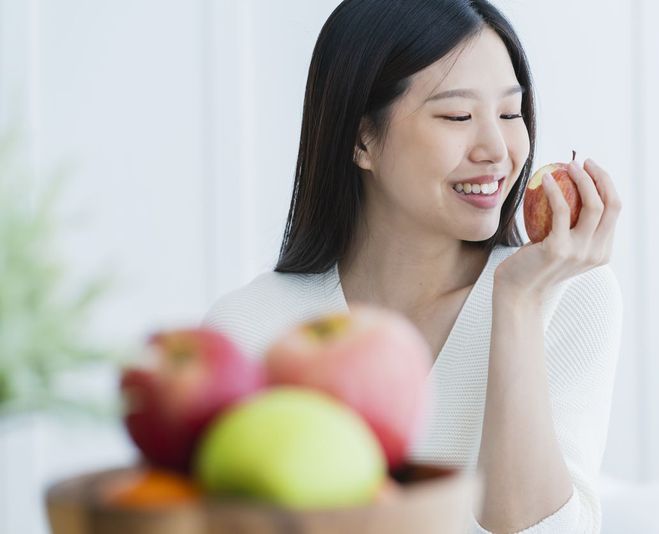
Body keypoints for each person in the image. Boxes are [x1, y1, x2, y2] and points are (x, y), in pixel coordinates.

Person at [203, 1, 623, 533]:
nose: (497, 149)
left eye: (511, 113)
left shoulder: (567, 294)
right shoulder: (246, 329)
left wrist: (517, 304)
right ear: (361, 140)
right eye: (457, 116)